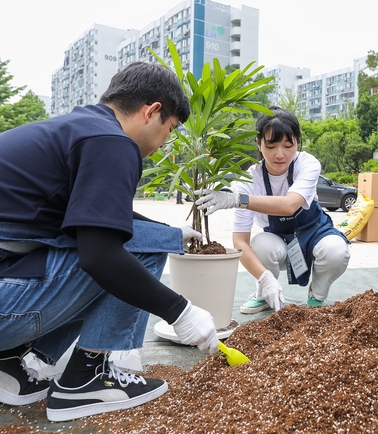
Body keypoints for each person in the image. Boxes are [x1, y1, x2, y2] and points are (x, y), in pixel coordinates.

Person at [0, 62, 220, 422]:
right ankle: (87, 378)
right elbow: (99, 254)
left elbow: (92, 215)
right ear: (152, 112)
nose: (165, 143)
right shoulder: (112, 142)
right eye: (171, 129)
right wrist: (181, 312)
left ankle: (17, 362)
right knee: (145, 246)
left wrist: (166, 228)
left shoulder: (77, 128)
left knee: (145, 236)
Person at [196, 106, 350, 314]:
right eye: (271, 146)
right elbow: (240, 242)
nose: (280, 155)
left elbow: (289, 205)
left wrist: (238, 200)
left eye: (288, 145)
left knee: (336, 250)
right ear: (258, 144)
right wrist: (264, 277)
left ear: (297, 142)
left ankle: (318, 296)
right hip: (279, 241)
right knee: (260, 245)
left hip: (316, 233)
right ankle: (263, 293)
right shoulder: (249, 179)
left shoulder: (307, 164)